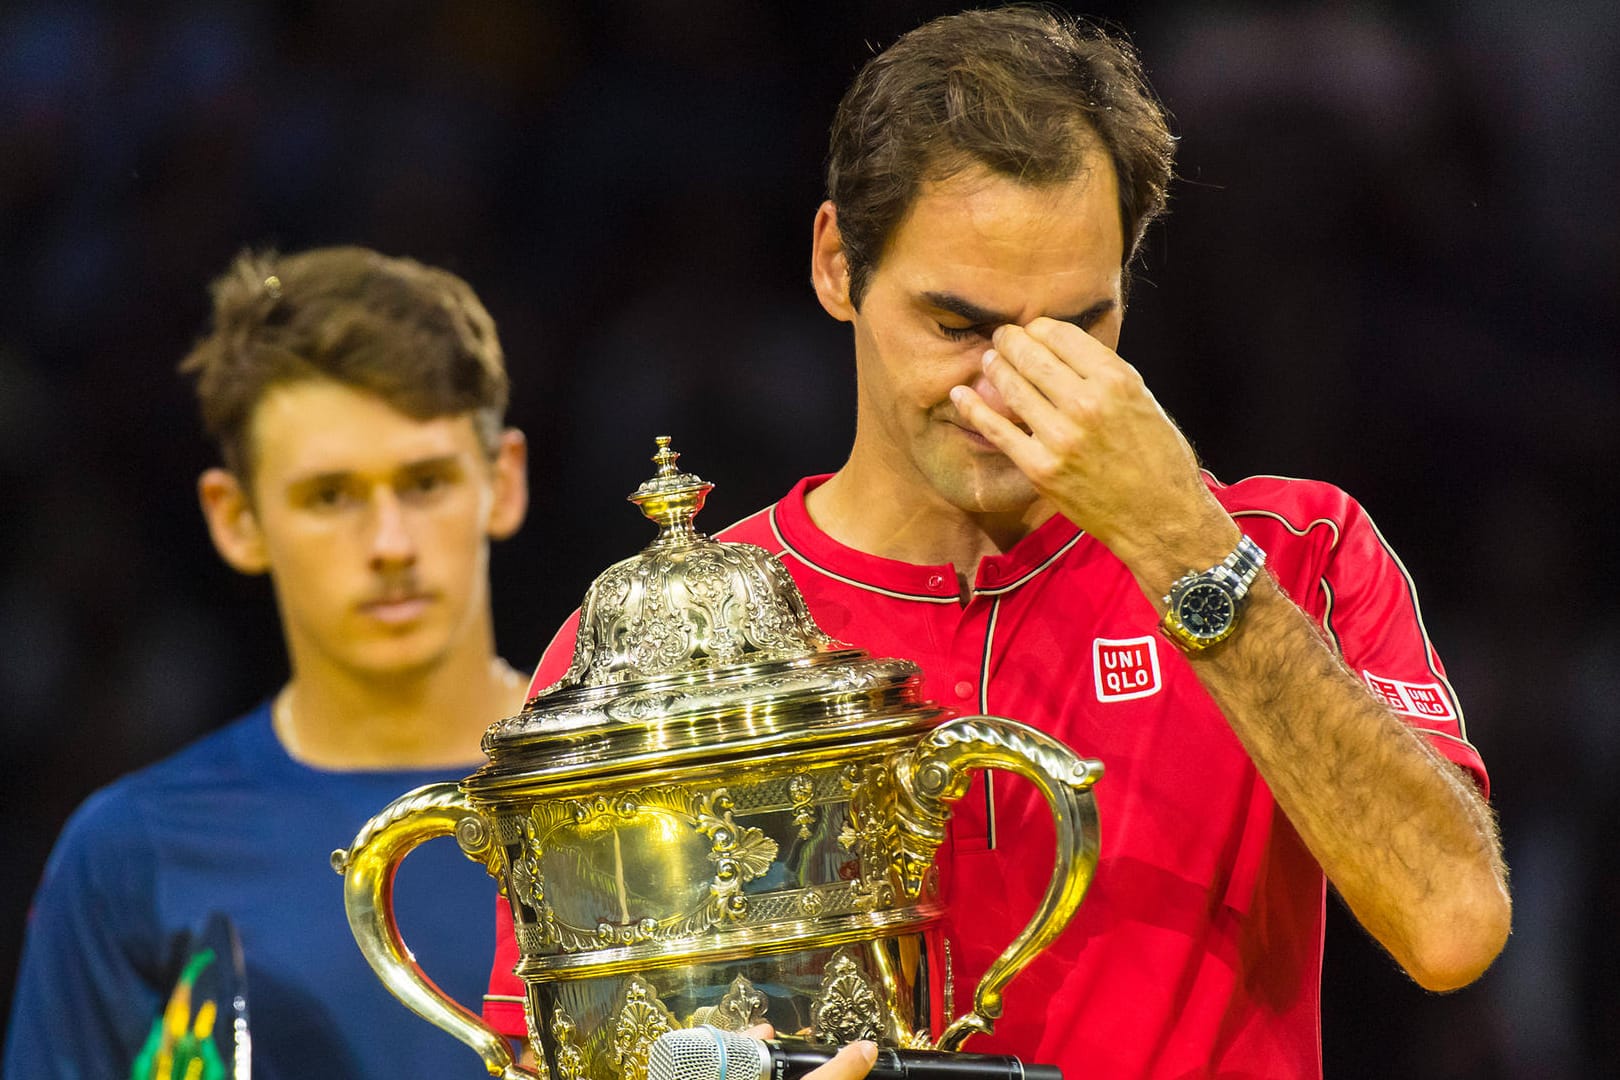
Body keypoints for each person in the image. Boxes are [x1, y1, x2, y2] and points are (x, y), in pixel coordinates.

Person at [485, 7, 1511, 1079]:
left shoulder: (1293, 552)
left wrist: (1180, 543)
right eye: (958, 326)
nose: (1007, 388)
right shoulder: (653, 643)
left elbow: (1453, 927)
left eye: (1073, 329)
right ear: (838, 265)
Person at [4, 246, 531, 1080]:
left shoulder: (644, 786)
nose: (390, 544)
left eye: (426, 482)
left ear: (503, 481)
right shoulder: (134, 854)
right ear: (235, 516)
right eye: (331, 496)